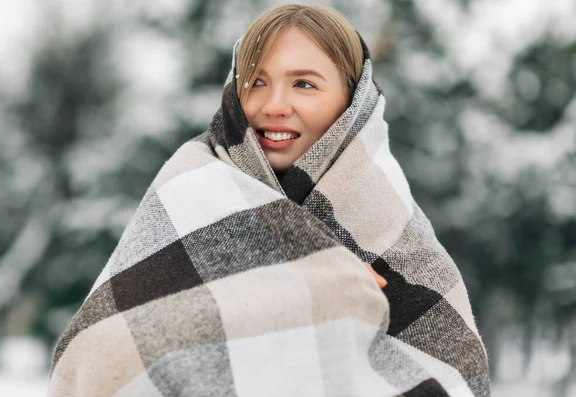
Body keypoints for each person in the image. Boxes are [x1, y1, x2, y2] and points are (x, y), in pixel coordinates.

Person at [48, 4, 490, 396]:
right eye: (257, 81)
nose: (274, 105)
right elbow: (101, 349)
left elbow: (452, 372)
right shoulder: (189, 189)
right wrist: (315, 282)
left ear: (352, 100)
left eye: (304, 84)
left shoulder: (391, 224)